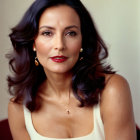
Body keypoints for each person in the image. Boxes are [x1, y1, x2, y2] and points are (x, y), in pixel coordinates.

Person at [7, 0, 136, 140]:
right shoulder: (19, 108)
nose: (59, 45)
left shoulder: (111, 90)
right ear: (33, 43)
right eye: (47, 33)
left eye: (71, 33)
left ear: (83, 41)